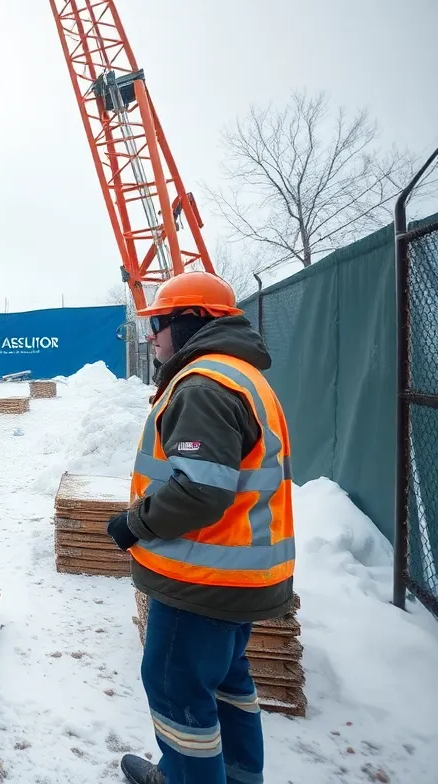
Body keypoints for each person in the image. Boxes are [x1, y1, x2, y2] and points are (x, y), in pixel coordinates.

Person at [105, 271, 294, 784]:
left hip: (202, 577)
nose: (153, 336)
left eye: (159, 324)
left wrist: (132, 524)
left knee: (175, 688)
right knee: (227, 684)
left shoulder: (205, 385)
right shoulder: (242, 375)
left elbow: (200, 491)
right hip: (234, 573)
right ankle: (236, 776)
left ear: (190, 321)